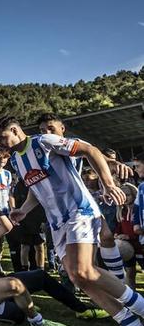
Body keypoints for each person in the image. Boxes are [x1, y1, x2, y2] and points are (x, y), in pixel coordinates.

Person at [0, 116, 144, 326]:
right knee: (79, 279)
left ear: (15, 130)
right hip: (58, 224)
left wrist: (106, 184)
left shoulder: (44, 142)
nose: (0, 143)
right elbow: (36, 186)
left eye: (1, 137)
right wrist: (25, 209)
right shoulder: (18, 159)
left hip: (78, 212)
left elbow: (90, 150)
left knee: (85, 270)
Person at [38, 113, 129, 281]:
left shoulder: (75, 143)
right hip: (59, 210)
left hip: (80, 203)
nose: (47, 133)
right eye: (43, 130)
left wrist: (112, 163)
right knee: (79, 263)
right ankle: (76, 283)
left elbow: (95, 153)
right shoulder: (41, 149)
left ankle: (120, 283)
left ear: (62, 128)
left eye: (51, 128)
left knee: (107, 237)